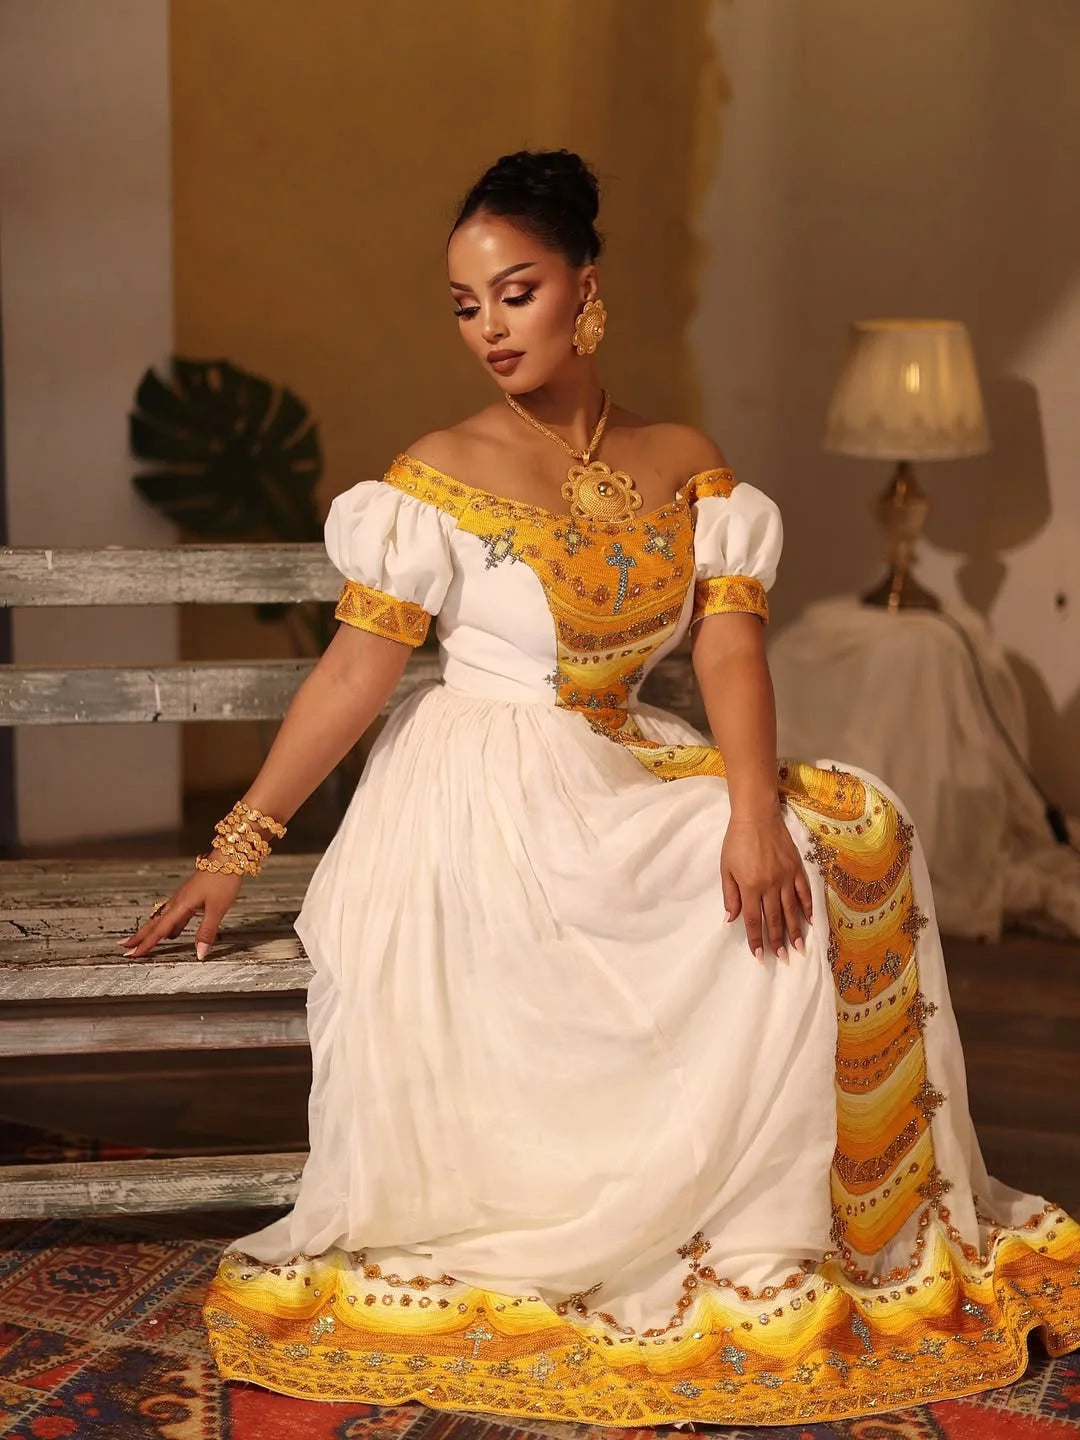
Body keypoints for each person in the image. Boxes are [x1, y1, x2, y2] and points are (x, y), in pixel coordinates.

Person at [123, 150, 1080, 1428]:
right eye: (467, 306)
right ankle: (626, 1194)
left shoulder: (687, 462)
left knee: (852, 824)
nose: (490, 329)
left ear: (586, 285)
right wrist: (236, 847)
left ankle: (776, 1214)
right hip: (485, 790)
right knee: (747, 867)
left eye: (515, 292)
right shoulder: (433, 475)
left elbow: (728, 650)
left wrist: (751, 813)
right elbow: (356, 679)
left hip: (627, 754)